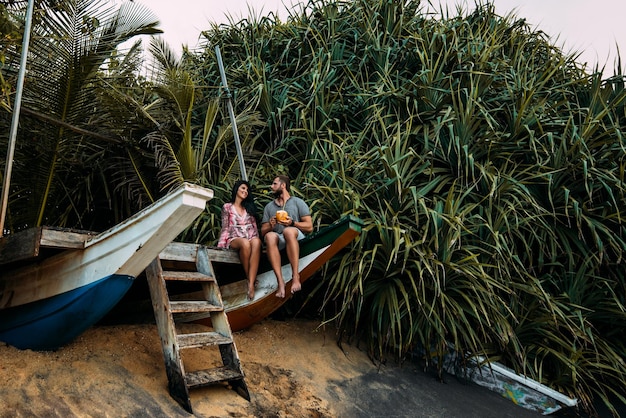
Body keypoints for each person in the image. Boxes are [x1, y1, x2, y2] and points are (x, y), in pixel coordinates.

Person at [261, 175, 313, 298]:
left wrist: (293, 223)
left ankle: (295, 276)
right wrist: (270, 225)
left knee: (289, 231)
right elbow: (263, 231)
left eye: (274, 184)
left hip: (296, 237)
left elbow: (309, 227)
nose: (271, 186)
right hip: (279, 240)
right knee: (269, 236)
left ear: (283, 185)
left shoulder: (297, 202)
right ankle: (280, 282)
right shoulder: (269, 207)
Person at [217, 180, 262, 300]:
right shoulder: (227, 207)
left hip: (250, 237)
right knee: (245, 243)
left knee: (257, 241)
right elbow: (225, 228)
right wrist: (220, 247)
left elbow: (254, 228)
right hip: (234, 238)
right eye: (243, 188)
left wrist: (256, 239)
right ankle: (251, 281)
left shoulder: (249, 208)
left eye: (247, 190)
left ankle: (250, 283)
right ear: (236, 189)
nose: (245, 191)